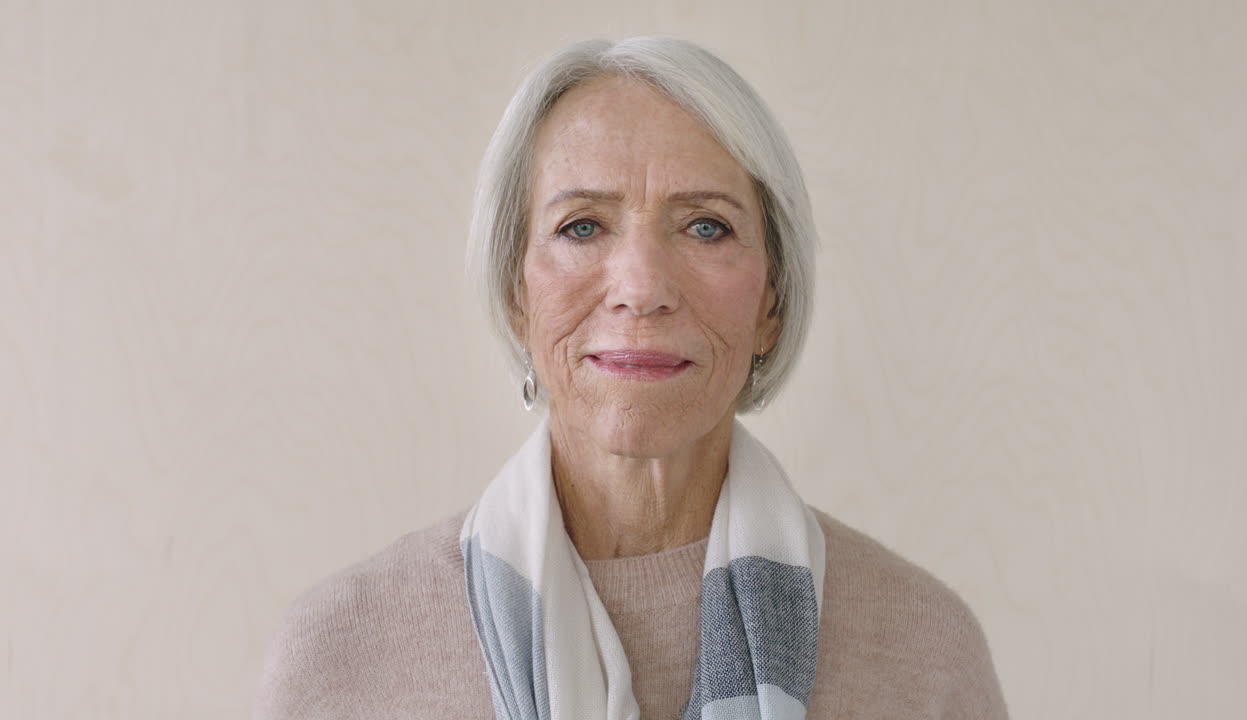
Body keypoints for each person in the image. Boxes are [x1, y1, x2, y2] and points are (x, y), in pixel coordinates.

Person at [252, 35, 1009, 720]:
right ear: (517, 293)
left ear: (771, 301)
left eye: (705, 225)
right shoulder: (341, 655)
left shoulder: (925, 655)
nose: (641, 286)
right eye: (582, 226)